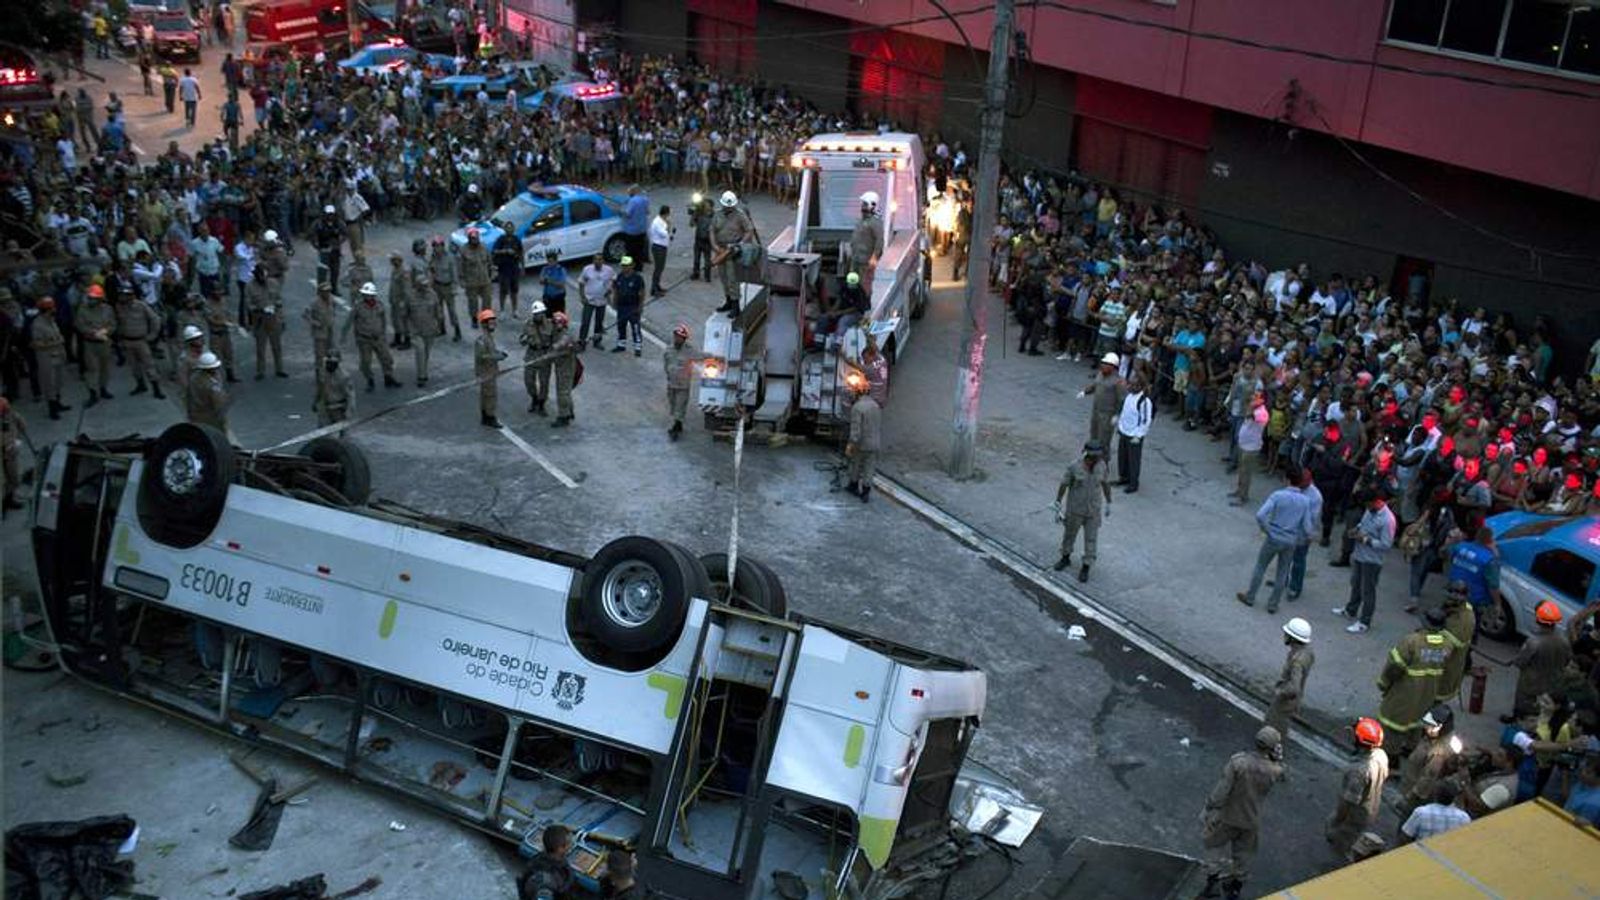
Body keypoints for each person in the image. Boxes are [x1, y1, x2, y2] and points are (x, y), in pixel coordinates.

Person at [1198, 726, 1285, 900]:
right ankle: (1235, 888)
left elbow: (1221, 791)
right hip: (1251, 819)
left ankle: (1212, 885)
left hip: (1228, 816)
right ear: (1273, 747)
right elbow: (1282, 775)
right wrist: (1277, 760)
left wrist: (1209, 807)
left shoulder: (1238, 763)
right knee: (1243, 854)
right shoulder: (1275, 770)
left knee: (1214, 846)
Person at [1376, 609, 1451, 754]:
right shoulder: (1447, 645)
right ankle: (1410, 748)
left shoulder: (1412, 641)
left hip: (1405, 692)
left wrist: (1384, 684)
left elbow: (1394, 666)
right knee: (1416, 722)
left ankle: (1390, 757)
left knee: (1394, 725)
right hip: (1427, 694)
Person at [1238, 468, 1313, 613]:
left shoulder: (1278, 495)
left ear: (1287, 479)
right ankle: (1273, 604)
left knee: (1261, 566)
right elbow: (1307, 527)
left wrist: (1268, 530)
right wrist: (1303, 539)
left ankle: (1251, 596)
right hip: (1290, 540)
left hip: (1274, 537)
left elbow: (1260, 515)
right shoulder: (1305, 501)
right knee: (1282, 572)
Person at [1325, 717, 1388, 862]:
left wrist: (1336, 820)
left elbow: (1348, 801)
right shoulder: (1381, 755)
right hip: (1370, 808)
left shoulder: (1358, 771)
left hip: (1355, 815)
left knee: (1342, 841)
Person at [1334, 487, 1396, 633]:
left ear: (1374, 502)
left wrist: (1366, 539)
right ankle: (1351, 609)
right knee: (1356, 584)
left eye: (1367, 504)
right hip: (1360, 555)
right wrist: (1356, 529)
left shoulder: (1388, 520)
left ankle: (1364, 622)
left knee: (1368, 591)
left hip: (1372, 561)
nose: (1366, 508)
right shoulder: (1369, 511)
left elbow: (1386, 544)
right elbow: (1363, 524)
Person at [1053, 440, 1113, 583]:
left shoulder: (1102, 465)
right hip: (1075, 509)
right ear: (1086, 453)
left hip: (1093, 510)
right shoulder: (1074, 466)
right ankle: (1065, 558)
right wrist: (1058, 501)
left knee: (1091, 539)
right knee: (1069, 535)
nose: (1096, 459)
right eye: (1093, 456)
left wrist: (1109, 502)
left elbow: (1105, 483)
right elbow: (1064, 484)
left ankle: (1086, 566)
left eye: (1098, 456)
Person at [1504, 601, 1572, 722]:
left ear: (1538, 620)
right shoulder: (1564, 641)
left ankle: (1517, 722)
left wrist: (1514, 661)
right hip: (1553, 682)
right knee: (1543, 708)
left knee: (1524, 706)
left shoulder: (1534, 642)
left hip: (1531, 683)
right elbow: (1567, 661)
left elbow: (1521, 662)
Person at [1397, 704, 1457, 822]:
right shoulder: (1432, 736)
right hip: (1412, 784)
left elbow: (1428, 778)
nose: (1427, 728)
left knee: (1407, 822)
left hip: (1417, 797)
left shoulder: (1439, 752)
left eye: (1431, 726)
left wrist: (1410, 797)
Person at [342, 282, 400, 392]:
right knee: (365, 363)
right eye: (365, 294)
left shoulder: (380, 305)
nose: (367, 297)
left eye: (369, 294)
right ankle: (370, 380)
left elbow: (383, 321)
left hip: (378, 338)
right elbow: (349, 322)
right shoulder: (358, 307)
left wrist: (382, 334)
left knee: (387, 359)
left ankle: (388, 378)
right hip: (364, 339)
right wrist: (343, 336)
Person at [1264, 617, 1314, 739]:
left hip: (1285, 701)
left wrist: (1280, 692)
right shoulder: (1307, 652)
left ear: (1293, 638)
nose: (1284, 635)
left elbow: (1294, 688)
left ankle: (1271, 747)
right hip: (1292, 701)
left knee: (1273, 724)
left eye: (1287, 634)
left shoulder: (1297, 661)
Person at [1446, 526, 1503, 628]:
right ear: (1490, 541)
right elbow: (1493, 585)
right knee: (1469, 628)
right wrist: (1497, 604)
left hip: (1453, 592)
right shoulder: (1489, 559)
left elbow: (1448, 558)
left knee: (1449, 620)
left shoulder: (1460, 547)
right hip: (1473, 599)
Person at [711, 190, 755, 315]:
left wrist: (740, 244)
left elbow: (749, 230)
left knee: (733, 279)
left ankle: (736, 306)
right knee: (723, 277)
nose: (728, 208)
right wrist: (714, 246)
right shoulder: (717, 215)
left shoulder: (740, 215)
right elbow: (712, 231)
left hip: (733, 251)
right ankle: (728, 301)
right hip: (720, 250)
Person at [406, 259, 444, 387]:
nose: (424, 287)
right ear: (417, 286)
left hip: (430, 329)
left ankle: (423, 370)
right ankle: (421, 377)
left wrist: (439, 326)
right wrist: (406, 330)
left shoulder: (432, 295)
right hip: (416, 331)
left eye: (425, 285)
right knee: (420, 351)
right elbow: (405, 314)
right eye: (422, 285)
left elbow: (437, 311)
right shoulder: (410, 296)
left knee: (426, 352)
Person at [1436, 581, 1476, 702]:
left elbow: (1443, 653)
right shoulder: (1461, 608)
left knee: (1433, 703)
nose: (1447, 600)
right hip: (1446, 669)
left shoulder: (1461, 621)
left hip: (1444, 671)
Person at [75, 284, 115, 406]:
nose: (91, 300)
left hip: (104, 342)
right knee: (91, 370)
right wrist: (93, 332)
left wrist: (106, 331)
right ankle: (93, 393)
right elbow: (80, 325)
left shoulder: (108, 309)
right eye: (90, 297)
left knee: (104, 368)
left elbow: (113, 324)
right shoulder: (82, 310)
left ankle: (103, 389)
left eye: (94, 298)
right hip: (90, 344)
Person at [845, 375, 881, 502]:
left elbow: (856, 431)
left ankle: (853, 486)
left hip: (861, 444)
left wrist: (850, 446)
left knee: (856, 465)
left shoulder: (857, 407)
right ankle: (865, 493)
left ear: (857, 393)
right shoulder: (875, 405)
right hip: (875, 443)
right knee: (869, 468)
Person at [30, 298, 68, 420]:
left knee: (58, 381)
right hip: (46, 358)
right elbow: (37, 344)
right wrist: (55, 343)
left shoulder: (52, 321)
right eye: (52, 308)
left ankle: (58, 403)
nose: (55, 310)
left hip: (58, 355)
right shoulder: (38, 324)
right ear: (47, 310)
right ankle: (52, 409)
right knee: (49, 384)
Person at [245, 268, 285, 381]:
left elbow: (279, 299)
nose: (264, 279)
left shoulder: (273, 283)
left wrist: (281, 316)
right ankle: (260, 371)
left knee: (277, 346)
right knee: (260, 348)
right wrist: (258, 309)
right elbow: (248, 304)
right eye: (261, 277)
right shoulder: (250, 286)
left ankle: (279, 369)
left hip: (274, 318)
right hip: (259, 319)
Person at [1114, 374, 1152, 493]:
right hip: (1125, 431)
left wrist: (1138, 435)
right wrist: (1119, 425)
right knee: (1123, 457)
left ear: (1141, 386)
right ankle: (1123, 477)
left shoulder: (1144, 401)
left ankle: (1133, 483)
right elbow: (1125, 412)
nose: (1130, 386)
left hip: (1134, 434)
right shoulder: (1129, 396)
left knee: (1133, 460)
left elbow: (1146, 420)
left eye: (1134, 385)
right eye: (1129, 384)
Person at [1400, 781, 1471, 842]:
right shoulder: (1464, 818)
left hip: (1423, 856)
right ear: (1454, 797)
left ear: (1435, 794)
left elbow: (1405, 837)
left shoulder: (1421, 812)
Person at [1080, 353, 1126, 447]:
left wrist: (1117, 414)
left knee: (1104, 436)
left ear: (1113, 367)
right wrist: (1085, 392)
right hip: (1096, 409)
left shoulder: (1118, 381)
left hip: (1107, 414)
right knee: (1094, 432)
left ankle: (1104, 457)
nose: (1102, 365)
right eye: (1103, 363)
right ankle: (1092, 454)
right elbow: (1095, 385)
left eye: (1106, 364)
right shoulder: (1100, 374)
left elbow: (1121, 399)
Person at [518, 824, 574, 900]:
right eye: (569, 843)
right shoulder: (545, 880)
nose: (571, 846)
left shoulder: (537, 859)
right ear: (560, 848)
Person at [519, 301, 555, 415]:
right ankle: (534, 398)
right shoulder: (528, 324)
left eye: (539, 313)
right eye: (535, 314)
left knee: (544, 383)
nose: (537, 316)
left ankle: (541, 403)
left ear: (543, 313)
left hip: (544, 356)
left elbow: (556, 339)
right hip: (531, 354)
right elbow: (521, 339)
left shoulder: (550, 325)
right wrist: (525, 339)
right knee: (528, 380)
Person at [475, 308, 507, 428]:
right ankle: (490, 417)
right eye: (490, 322)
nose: (493, 325)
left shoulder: (488, 337)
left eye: (494, 322)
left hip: (489, 371)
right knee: (490, 395)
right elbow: (483, 356)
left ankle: (485, 416)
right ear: (484, 324)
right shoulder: (482, 340)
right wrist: (497, 356)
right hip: (486, 372)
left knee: (486, 395)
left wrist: (498, 353)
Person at [663, 323, 696, 440]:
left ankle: (677, 425)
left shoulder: (689, 351)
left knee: (680, 405)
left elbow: (701, 356)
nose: (677, 338)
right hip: (671, 383)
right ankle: (678, 422)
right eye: (676, 336)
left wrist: (716, 358)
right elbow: (666, 363)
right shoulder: (669, 349)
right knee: (672, 403)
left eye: (680, 337)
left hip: (683, 384)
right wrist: (668, 374)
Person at [578, 253, 615, 349]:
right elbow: (581, 283)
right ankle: (582, 341)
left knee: (599, 323)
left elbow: (614, 280)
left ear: (603, 261)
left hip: (602, 301)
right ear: (593, 260)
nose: (598, 261)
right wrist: (582, 297)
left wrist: (610, 290)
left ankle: (597, 342)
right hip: (589, 300)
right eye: (596, 259)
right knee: (585, 322)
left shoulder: (609, 270)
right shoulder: (587, 270)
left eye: (600, 259)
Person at [186, 352, 230, 432]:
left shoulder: (194, 377)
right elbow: (218, 403)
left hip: (198, 414)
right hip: (210, 416)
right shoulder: (210, 385)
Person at [313, 349, 354, 431]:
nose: (330, 366)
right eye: (328, 363)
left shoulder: (344, 376)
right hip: (324, 407)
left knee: (341, 433)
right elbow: (320, 388)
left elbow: (350, 396)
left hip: (339, 408)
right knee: (323, 432)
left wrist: (349, 412)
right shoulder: (322, 371)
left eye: (332, 364)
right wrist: (315, 401)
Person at [430, 238, 463, 341]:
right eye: (435, 246)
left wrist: (454, 287)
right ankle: (441, 328)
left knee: (452, 310)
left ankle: (457, 331)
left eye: (439, 246)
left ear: (443, 246)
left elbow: (454, 274)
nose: (437, 248)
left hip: (447, 286)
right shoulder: (433, 257)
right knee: (438, 309)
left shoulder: (450, 258)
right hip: (437, 286)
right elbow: (431, 270)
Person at [460, 228, 494, 326]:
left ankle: (486, 319)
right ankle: (474, 318)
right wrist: (461, 280)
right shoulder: (464, 250)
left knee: (487, 301)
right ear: (469, 238)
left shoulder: (484, 247)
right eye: (472, 238)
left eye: (476, 238)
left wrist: (492, 273)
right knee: (473, 302)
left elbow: (489, 261)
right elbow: (460, 266)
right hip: (471, 281)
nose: (475, 240)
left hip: (484, 279)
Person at [549, 311, 578, 427]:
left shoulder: (566, 334)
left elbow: (563, 342)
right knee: (565, 390)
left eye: (559, 322)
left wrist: (555, 348)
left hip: (566, 366)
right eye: (555, 322)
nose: (557, 324)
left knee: (562, 392)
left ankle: (563, 416)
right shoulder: (556, 332)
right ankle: (569, 411)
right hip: (560, 365)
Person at [848, 191, 883, 284]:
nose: (862, 206)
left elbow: (879, 241)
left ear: (872, 205)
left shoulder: (875, 223)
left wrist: (874, 258)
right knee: (853, 285)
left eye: (865, 204)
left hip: (866, 263)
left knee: (864, 286)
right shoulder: (861, 221)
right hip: (856, 260)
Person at [613, 256, 645, 356]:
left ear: (632, 265)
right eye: (623, 266)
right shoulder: (619, 276)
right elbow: (616, 290)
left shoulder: (638, 278)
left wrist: (640, 306)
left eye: (627, 265)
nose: (624, 268)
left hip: (633, 306)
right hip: (621, 306)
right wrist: (615, 302)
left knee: (635, 327)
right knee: (621, 325)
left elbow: (642, 293)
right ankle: (621, 345)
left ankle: (637, 346)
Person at [1, 397, 28, 513]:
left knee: (13, 478)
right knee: (6, 479)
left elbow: (22, 425)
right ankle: (6, 501)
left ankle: (9, 499)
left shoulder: (9, 415)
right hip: (6, 453)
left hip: (10, 453)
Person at [304, 283, 338, 373]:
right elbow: (306, 315)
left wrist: (333, 319)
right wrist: (315, 323)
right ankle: (319, 373)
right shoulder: (314, 302)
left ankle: (328, 372)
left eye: (328, 291)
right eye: (325, 291)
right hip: (319, 332)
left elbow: (334, 309)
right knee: (320, 354)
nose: (327, 293)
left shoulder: (331, 299)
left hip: (329, 330)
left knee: (331, 352)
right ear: (320, 292)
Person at [495, 230, 527, 316]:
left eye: (511, 227)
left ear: (513, 229)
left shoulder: (516, 239)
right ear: (505, 229)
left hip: (514, 268)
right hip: (503, 268)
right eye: (507, 227)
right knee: (503, 291)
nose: (509, 229)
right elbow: (494, 251)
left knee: (514, 290)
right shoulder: (500, 239)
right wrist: (505, 251)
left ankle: (515, 310)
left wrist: (523, 267)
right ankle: (502, 311)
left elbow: (521, 254)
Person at [387, 252, 412, 351]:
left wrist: (404, 302)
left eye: (393, 259)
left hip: (401, 301)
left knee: (404, 322)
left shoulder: (404, 271)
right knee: (395, 321)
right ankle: (397, 338)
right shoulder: (395, 270)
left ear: (398, 260)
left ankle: (407, 340)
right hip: (394, 300)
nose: (391, 261)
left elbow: (406, 288)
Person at [620, 184, 650, 265]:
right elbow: (647, 212)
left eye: (629, 192)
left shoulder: (632, 201)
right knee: (639, 250)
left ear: (633, 191)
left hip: (631, 231)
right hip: (642, 229)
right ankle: (639, 266)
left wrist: (620, 211)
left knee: (629, 250)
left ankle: (626, 266)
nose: (629, 193)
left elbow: (628, 214)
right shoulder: (645, 200)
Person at [649, 205, 673, 297]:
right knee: (658, 268)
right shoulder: (657, 222)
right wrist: (669, 225)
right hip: (658, 247)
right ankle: (654, 289)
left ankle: (657, 285)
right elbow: (663, 234)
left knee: (661, 267)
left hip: (662, 246)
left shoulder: (661, 220)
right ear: (666, 213)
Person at [689, 193, 714, 281]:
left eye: (707, 205)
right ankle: (696, 273)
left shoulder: (714, 216)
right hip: (698, 239)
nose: (705, 207)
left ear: (711, 206)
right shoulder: (699, 213)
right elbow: (691, 224)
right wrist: (693, 214)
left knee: (707, 259)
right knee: (696, 259)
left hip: (708, 240)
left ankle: (707, 276)